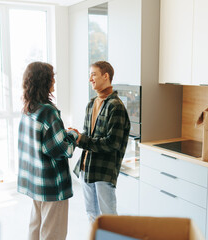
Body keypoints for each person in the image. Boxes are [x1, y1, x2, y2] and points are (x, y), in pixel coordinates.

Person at [17, 62, 79, 240]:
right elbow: (61, 149)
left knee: (36, 227)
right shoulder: (48, 112)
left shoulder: (29, 108)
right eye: (52, 78)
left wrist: (61, 133)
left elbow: (41, 142)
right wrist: (73, 135)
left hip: (35, 180)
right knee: (53, 234)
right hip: (52, 184)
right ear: (44, 82)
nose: (54, 82)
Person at [72, 61, 130, 223]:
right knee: (92, 214)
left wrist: (82, 140)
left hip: (104, 171)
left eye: (94, 75)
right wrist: (77, 136)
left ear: (106, 76)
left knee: (108, 218)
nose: (90, 79)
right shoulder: (91, 104)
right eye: (90, 75)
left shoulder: (116, 106)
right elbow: (87, 135)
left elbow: (112, 143)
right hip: (86, 168)